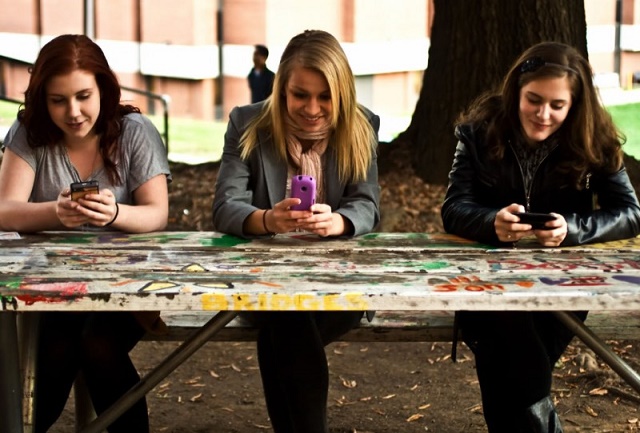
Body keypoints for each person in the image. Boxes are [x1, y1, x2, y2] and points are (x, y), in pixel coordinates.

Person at [441, 41, 640, 432]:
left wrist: (572, 229)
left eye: (557, 105)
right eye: (533, 99)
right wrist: (491, 223)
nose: (543, 114)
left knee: (505, 371)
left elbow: (630, 212)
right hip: (487, 281)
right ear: (516, 89)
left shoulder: (593, 137)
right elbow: (454, 208)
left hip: (563, 285)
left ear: (574, 105)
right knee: (509, 343)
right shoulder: (479, 131)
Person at [0, 34, 171, 432]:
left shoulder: (134, 131)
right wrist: (54, 212)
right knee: (60, 344)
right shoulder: (29, 133)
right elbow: (4, 211)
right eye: (58, 100)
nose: (73, 112)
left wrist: (115, 214)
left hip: (126, 285)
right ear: (42, 98)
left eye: (83, 96)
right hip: (50, 288)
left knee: (96, 342)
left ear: (103, 89)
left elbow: (156, 214)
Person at [213, 29, 380, 433]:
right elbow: (225, 206)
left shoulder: (361, 126)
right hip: (265, 282)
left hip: (339, 283)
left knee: (283, 330)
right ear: (281, 88)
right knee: (286, 318)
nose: (312, 108)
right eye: (300, 94)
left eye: (325, 96)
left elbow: (367, 204)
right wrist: (267, 220)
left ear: (341, 92)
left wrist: (338, 221)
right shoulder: (247, 123)